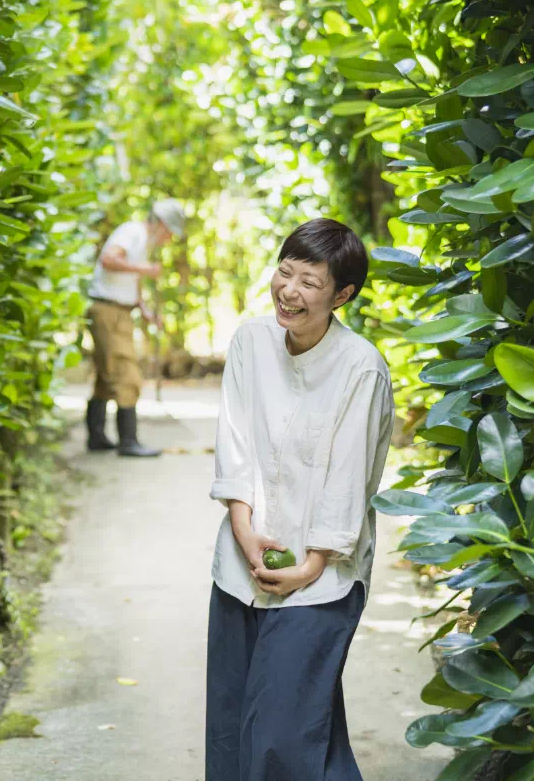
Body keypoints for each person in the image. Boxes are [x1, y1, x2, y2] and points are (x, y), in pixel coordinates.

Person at [204, 218, 396, 781]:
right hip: (242, 565)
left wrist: (311, 565)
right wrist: (244, 534)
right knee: (237, 723)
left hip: (324, 578)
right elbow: (234, 443)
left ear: (343, 295)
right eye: (285, 272)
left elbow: (350, 479)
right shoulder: (250, 341)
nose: (289, 291)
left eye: (309, 282)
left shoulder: (361, 366)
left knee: (282, 736)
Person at [85, 199, 187, 457]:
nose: (168, 239)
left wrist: (145, 310)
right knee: (126, 374)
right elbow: (108, 259)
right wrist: (144, 268)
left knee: (108, 376)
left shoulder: (142, 241)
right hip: (108, 310)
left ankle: (96, 437)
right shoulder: (133, 231)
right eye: (170, 234)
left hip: (120, 311)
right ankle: (128, 442)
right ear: (162, 225)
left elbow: (133, 279)